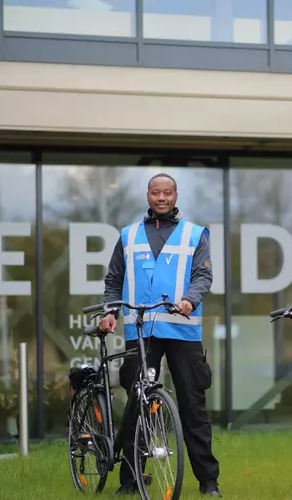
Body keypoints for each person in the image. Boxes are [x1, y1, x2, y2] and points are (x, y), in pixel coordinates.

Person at [99, 173, 222, 497]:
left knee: (193, 407)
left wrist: (189, 300)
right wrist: (110, 311)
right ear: (148, 196)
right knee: (138, 401)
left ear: (175, 196)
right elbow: (113, 280)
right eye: (156, 192)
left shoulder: (194, 235)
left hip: (182, 330)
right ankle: (130, 479)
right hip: (141, 330)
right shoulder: (128, 236)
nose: (161, 198)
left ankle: (208, 481)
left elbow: (203, 277)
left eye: (167, 193)